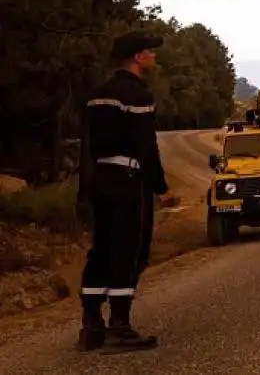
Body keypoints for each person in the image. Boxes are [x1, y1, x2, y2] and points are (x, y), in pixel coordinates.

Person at [76, 30, 178, 352]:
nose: (154, 56)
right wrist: (160, 187)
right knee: (130, 249)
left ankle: (91, 326)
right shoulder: (138, 95)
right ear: (137, 57)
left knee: (101, 248)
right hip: (129, 182)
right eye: (150, 51)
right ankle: (120, 326)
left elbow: (88, 145)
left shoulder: (96, 94)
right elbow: (146, 146)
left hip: (99, 179)